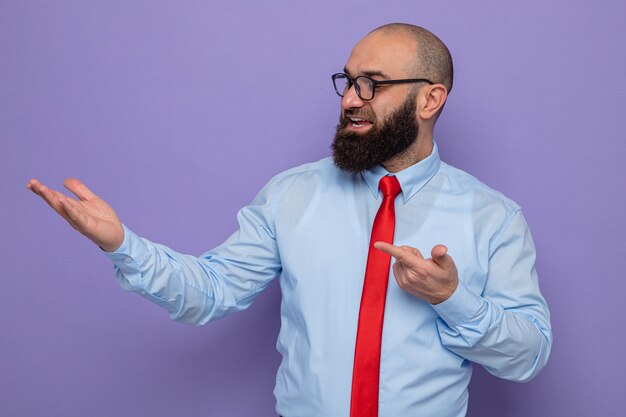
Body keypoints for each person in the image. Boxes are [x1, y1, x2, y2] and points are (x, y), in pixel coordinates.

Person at [27, 23, 551, 417]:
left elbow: (527, 356)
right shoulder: (291, 194)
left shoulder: (493, 218)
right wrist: (122, 245)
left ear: (430, 99)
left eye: (372, 84)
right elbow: (211, 291)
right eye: (348, 81)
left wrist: (451, 299)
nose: (350, 99)